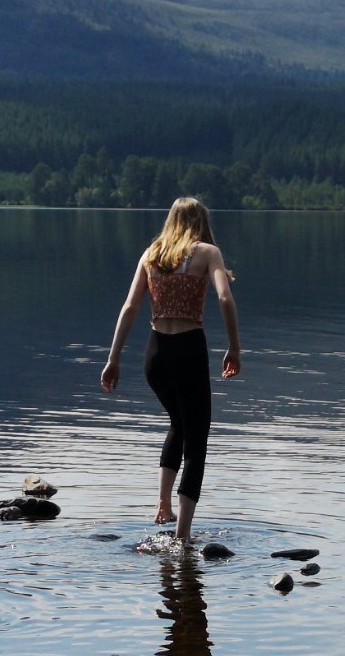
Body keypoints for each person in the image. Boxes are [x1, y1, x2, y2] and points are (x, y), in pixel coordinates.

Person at [101, 196, 241, 543]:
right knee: (197, 442)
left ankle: (164, 502)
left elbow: (131, 307)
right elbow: (225, 298)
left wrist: (113, 358)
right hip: (188, 351)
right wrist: (234, 348)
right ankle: (182, 536)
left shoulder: (151, 255)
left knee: (178, 424)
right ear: (200, 222)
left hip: (155, 355)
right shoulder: (208, 253)